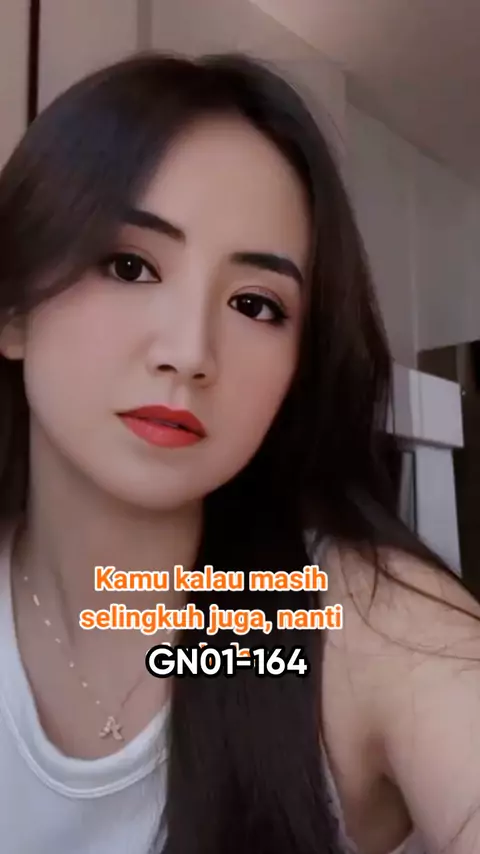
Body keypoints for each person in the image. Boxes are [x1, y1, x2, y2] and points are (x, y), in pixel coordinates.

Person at [0, 51, 478, 854]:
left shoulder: (359, 623)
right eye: (130, 265)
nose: (190, 353)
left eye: (255, 305)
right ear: (13, 310)